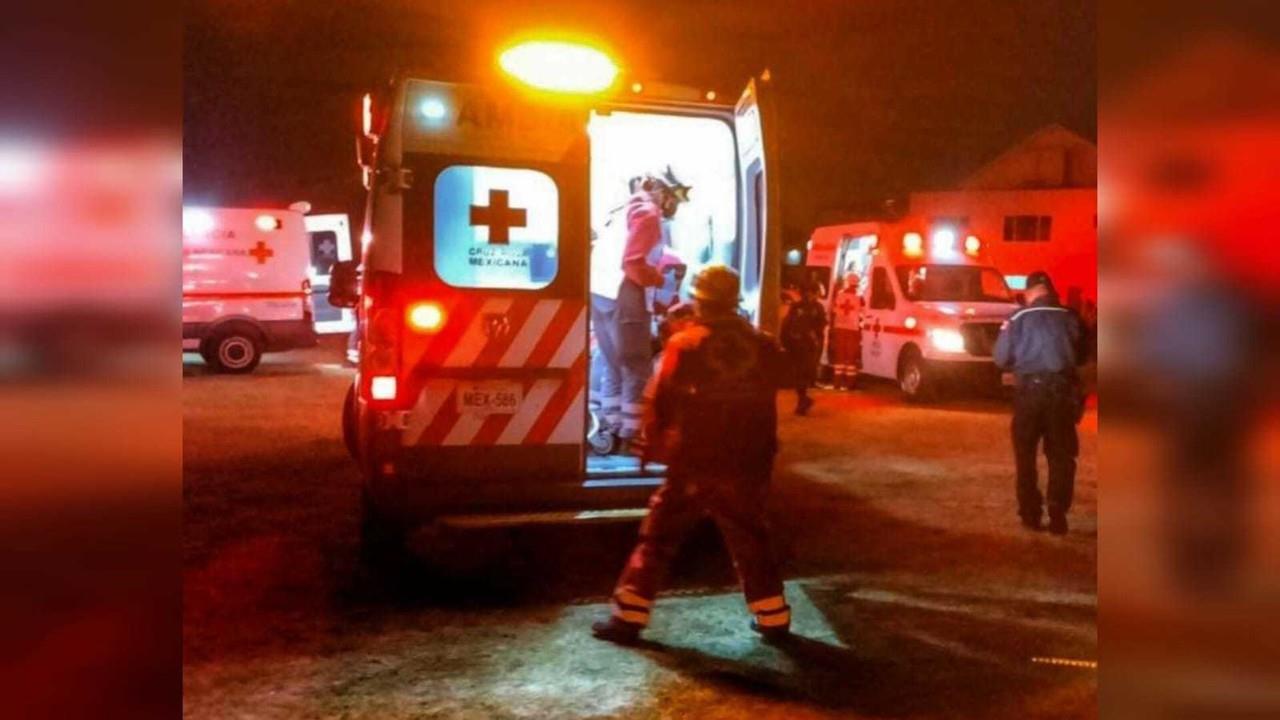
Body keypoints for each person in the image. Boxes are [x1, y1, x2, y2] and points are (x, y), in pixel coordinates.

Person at [592, 265, 791, 645]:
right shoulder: (763, 345)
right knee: (751, 536)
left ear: (700, 302)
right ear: (734, 301)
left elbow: (660, 401)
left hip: (695, 462)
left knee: (658, 539)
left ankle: (628, 618)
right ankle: (773, 618)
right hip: (748, 462)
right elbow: (789, 375)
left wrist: (648, 447)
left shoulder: (684, 345)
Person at [590, 167, 691, 453]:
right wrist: (659, 279)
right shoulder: (648, 213)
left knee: (614, 364)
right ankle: (633, 435)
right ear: (656, 187)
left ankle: (610, 425)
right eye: (673, 196)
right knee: (637, 366)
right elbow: (633, 263)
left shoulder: (621, 210)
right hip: (625, 292)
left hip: (602, 293)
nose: (673, 204)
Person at [994, 270, 1085, 535]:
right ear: (1050, 291)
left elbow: (1000, 357)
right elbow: (1083, 355)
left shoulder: (1018, 318)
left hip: (1029, 394)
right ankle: (1058, 507)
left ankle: (1030, 514)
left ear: (1030, 292)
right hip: (1061, 393)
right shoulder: (1071, 317)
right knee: (1062, 456)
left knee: (1025, 455)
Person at [780, 282, 826, 415]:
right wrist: (816, 341)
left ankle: (803, 400)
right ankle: (802, 401)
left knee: (800, 373)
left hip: (795, 344)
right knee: (804, 373)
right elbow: (820, 326)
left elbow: (786, 324)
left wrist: (785, 342)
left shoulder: (796, 306)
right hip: (806, 345)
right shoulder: (816, 307)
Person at [829, 274, 862, 390]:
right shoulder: (859, 297)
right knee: (851, 358)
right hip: (853, 329)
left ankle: (836, 383)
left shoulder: (840, 295)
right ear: (857, 284)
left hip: (839, 328)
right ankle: (850, 384)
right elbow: (863, 313)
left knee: (840, 357)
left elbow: (834, 310)